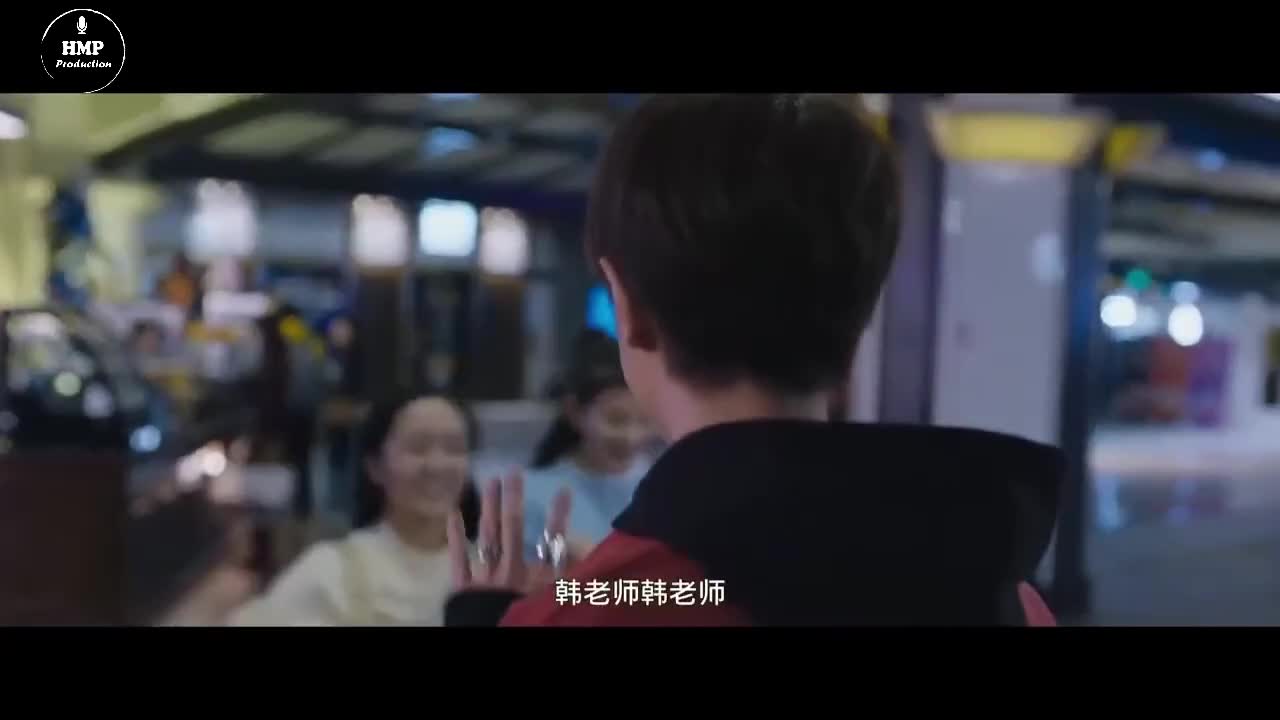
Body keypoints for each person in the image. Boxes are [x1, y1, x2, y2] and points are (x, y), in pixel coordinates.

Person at [444, 94, 1061, 626]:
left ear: (629, 311)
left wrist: (500, 614)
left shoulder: (590, 609)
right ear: (858, 317)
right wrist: (594, 588)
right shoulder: (1009, 596)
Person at [232, 394, 483, 625]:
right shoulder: (330, 573)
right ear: (375, 466)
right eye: (417, 448)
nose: (436, 465)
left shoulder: (490, 576)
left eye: (454, 448)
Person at [523, 329, 651, 558]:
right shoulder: (532, 495)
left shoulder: (666, 485)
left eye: (644, 421)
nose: (632, 436)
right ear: (574, 412)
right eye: (616, 420)